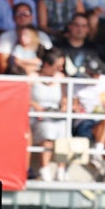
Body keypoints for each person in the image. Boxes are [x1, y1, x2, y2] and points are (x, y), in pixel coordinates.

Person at [29, 47, 69, 181]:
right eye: (58, 66)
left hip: (55, 116)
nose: (60, 69)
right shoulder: (32, 77)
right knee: (47, 130)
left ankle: (61, 170)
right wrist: (37, 107)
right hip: (36, 116)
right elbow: (23, 97)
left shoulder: (60, 78)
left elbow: (64, 98)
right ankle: (44, 169)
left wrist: (64, 106)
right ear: (47, 64)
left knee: (64, 129)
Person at [0, 1, 53, 74]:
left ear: (32, 17)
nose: (22, 16)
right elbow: (3, 67)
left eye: (26, 13)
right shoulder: (5, 38)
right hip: (15, 77)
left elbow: (49, 62)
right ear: (13, 18)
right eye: (19, 14)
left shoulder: (43, 37)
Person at [56, 12, 97, 77]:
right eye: (76, 25)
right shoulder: (58, 47)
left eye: (83, 26)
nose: (80, 29)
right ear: (70, 27)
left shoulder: (93, 48)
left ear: (88, 29)